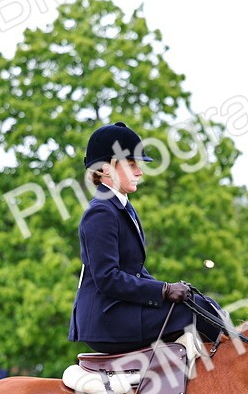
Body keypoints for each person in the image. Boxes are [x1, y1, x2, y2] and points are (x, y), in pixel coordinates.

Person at [68, 121, 224, 354]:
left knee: (203, 304)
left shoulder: (123, 207)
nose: (139, 172)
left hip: (120, 311)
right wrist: (163, 291)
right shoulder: (100, 212)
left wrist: (171, 290)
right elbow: (107, 278)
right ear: (106, 168)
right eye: (131, 164)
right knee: (194, 312)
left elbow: (135, 272)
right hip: (107, 319)